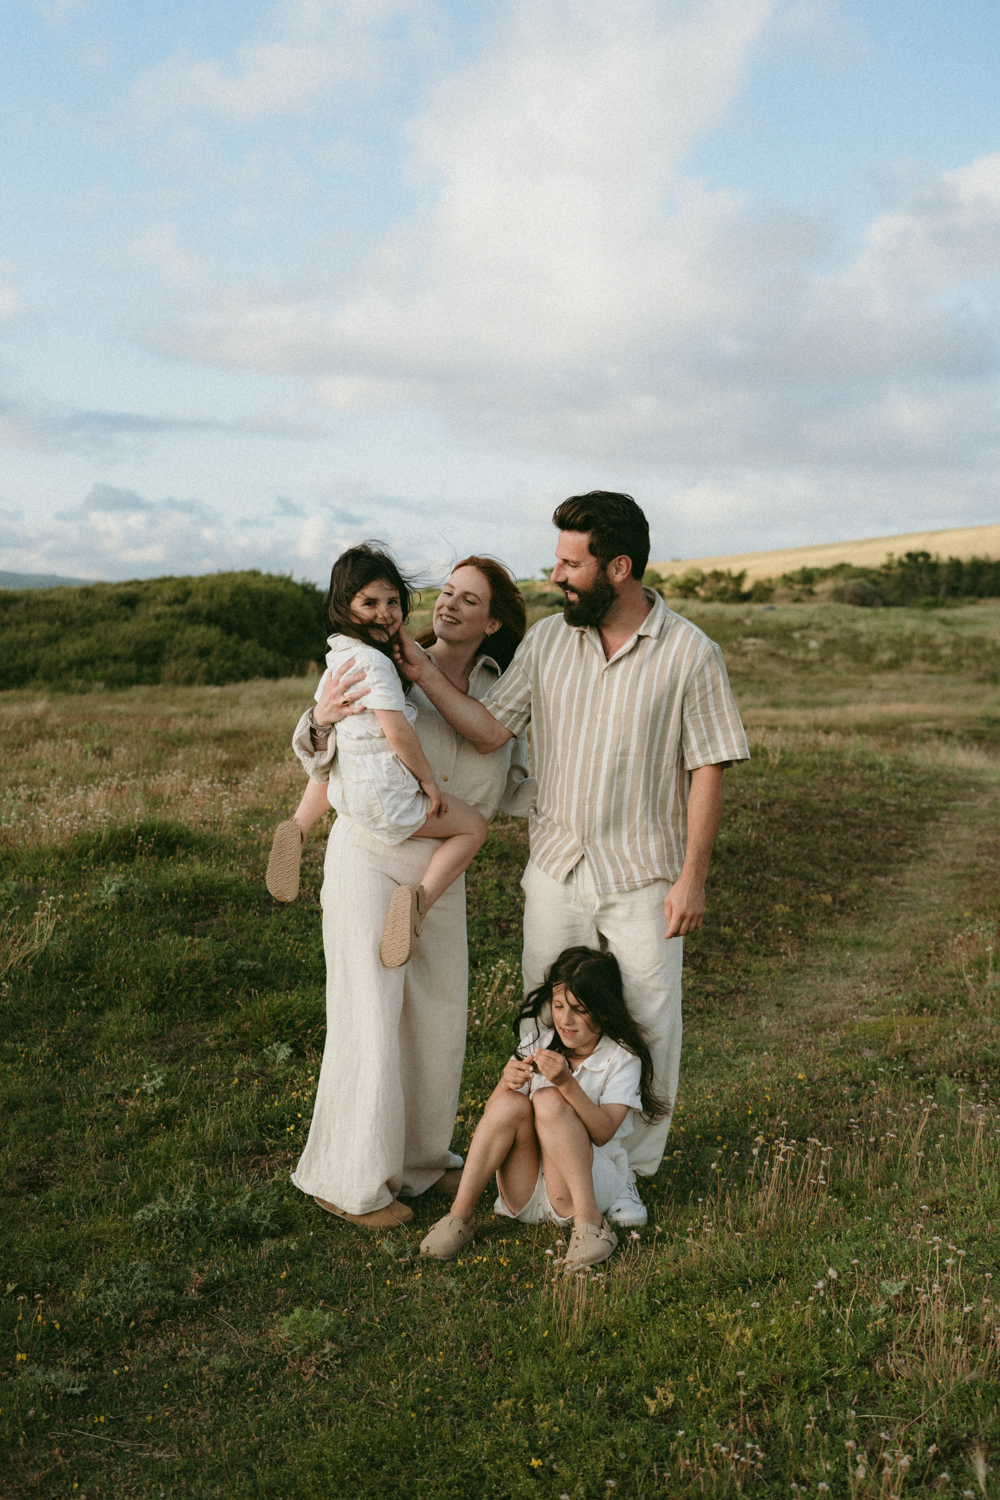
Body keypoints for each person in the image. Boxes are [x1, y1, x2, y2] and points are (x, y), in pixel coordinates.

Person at [395, 492, 749, 1229]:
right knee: (545, 1015)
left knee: (649, 1021)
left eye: (570, 561)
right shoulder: (550, 641)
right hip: (556, 865)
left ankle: (629, 1175)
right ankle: (545, 1157)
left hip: (646, 873)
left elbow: (709, 766)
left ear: (617, 567)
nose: (555, 573)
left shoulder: (690, 651)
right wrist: (422, 675)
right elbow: (494, 730)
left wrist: (694, 879)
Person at [272, 555, 535, 1230]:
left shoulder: (501, 684)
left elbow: (501, 746)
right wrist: (317, 721)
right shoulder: (384, 656)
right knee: (370, 1014)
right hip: (373, 851)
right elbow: (331, 754)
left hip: (440, 872)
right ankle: (349, 1181)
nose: (447, 605)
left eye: (466, 600)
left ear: (493, 620)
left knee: (437, 1019)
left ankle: (418, 1160)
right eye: (445, 592)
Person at [274, 544, 489, 967]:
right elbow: (398, 731)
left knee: (340, 755)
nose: (384, 612)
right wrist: (426, 780)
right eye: (369, 602)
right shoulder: (375, 663)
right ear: (343, 606)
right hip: (384, 798)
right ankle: (418, 903)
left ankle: (299, 826)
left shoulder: (341, 653)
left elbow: (328, 730)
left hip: (347, 792)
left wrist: (321, 715)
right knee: (474, 828)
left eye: (392, 602)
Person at [420, 947, 668, 1271]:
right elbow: (494, 1119)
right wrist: (505, 1082)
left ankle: (591, 1226)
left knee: (549, 1100)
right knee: (511, 1103)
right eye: (560, 1005)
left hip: (579, 1191)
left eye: (579, 1009)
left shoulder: (619, 1060)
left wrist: (567, 1083)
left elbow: (604, 1132)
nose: (565, 1019)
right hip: (523, 1192)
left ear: (604, 1011)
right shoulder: (538, 1041)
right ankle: (459, 1216)